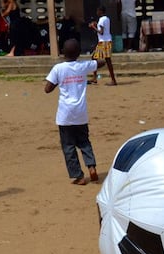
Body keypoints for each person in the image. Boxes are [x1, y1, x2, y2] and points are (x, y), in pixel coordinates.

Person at [44, 39, 105, 185]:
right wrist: (92, 59)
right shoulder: (83, 66)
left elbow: (47, 89)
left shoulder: (58, 69)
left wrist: (60, 81)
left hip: (65, 114)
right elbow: (101, 62)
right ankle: (91, 166)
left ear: (63, 53)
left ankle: (78, 175)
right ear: (78, 53)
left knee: (68, 145)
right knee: (84, 141)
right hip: (81, 113)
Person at [88, 6, 117, 86]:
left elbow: (101, 32)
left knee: (101, 59)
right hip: (106, 40)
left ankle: (111, 80)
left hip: (103, 42)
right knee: (96, 57)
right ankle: (95, 77)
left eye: (98, 11)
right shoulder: (107, 19)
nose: (97, 12)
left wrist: (93, 27)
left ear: (101, 11)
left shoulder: (101, 19)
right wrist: (96, 25)